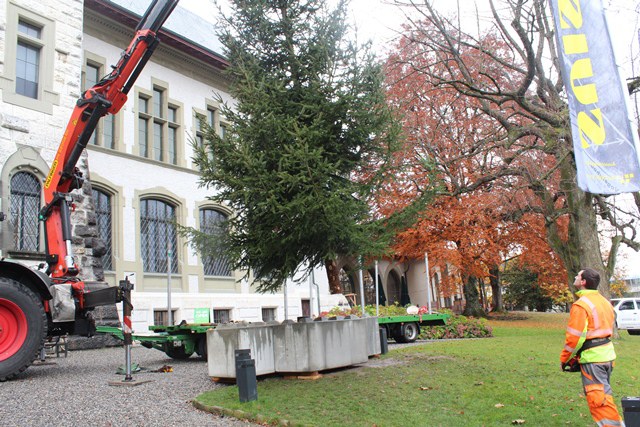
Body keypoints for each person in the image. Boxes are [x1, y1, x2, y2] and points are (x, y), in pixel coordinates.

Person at [560, 268, 624, 426]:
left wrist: (565, 359)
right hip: (607, 356)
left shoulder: (581, 305)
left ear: (583, 282)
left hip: (593, 360)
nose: (575, 276)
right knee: (603, 397)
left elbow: (574, 339)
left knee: (600, 403)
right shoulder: (604, 302)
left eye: (578, 275)